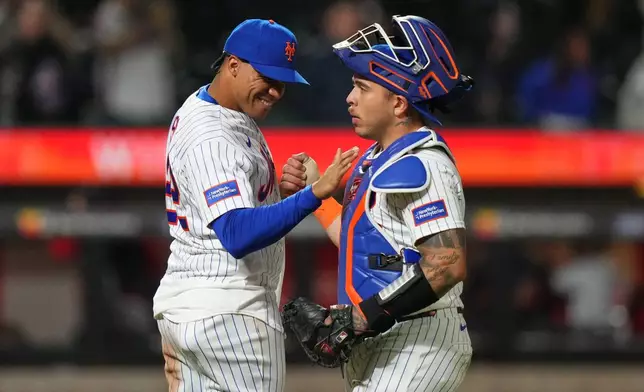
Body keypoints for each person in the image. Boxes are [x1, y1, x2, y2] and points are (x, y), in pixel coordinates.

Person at [152, 19, 358, 391]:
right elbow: (236, 232)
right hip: (230, 314)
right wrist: (313, 195)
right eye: (267, 78)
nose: (276, 92)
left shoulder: (214, 107)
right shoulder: (212, 135)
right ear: (233, 65)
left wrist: (273, 191)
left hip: (191, 308)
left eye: (282, 83)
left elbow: (224, 203)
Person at [280, 15, 474, 391]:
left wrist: (357, 319)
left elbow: (446, 264)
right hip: (386, 337)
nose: (350, 98)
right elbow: (365, 243)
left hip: (419, 341)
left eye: (362, 87)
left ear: (399, 103)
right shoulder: (376, 157)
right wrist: (317, 194)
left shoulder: (422, 162)